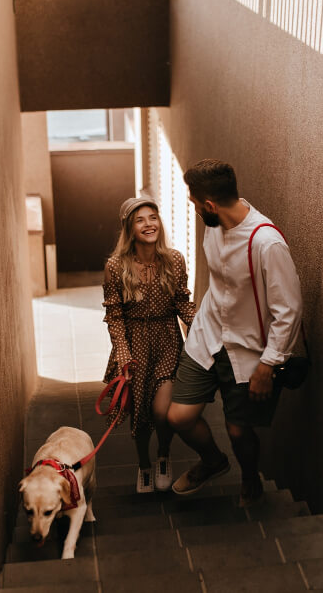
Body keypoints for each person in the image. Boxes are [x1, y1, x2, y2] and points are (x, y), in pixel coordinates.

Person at [167, 159, 303, 506]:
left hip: (247, 352)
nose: (193, 206)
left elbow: (288, 311)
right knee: (180, 416)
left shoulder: (266, 243)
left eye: (195, 202)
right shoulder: (214, 226)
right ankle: (213, 462)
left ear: (209, 205)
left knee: (239, 430)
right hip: (207, 336)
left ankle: (249, 477)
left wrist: (269, 364)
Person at [102, 196, 197, 493]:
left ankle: (163, 455)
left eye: (152, 217)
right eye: (140, 220)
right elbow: (114, 316)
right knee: (140, 417)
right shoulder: (116, 266)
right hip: (134, 345)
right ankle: (144, 464)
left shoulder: (174, 259)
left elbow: (183, 303)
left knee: (161, 411)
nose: (148, 224)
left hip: (168, 340)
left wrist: (205, 327)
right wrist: (124, 357)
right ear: (130, 228)